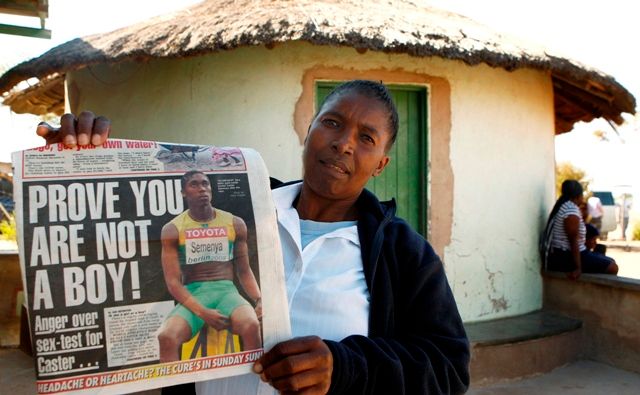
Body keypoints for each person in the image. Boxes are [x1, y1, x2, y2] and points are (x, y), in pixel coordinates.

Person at [36, 80, 470, 394]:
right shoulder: (237, 207)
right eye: (332, 123)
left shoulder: (402, 253)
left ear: (380, 164)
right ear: (309, 130)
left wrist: (345, 367)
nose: (343, 144)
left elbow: (449, 367)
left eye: (366, 138)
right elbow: (113, 236)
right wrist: (81, 159)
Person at [157, 170, 262, 362]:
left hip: (226, 292)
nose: (202, 189)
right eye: (194, 185)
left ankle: (252, 381)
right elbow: (173, 282)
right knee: (166, 337)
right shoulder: (172, 228)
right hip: (194, 294)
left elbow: (244, 270)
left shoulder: (234, 223)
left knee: (251, 325)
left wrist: (259, 298)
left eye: (205, 184)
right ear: (183, 193)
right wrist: (202, 312)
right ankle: (174, 388)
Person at [541, 180, 618, 278]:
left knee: (609, 260)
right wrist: (578, 268)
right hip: (566, 256)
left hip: (565, 254)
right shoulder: (570, 209)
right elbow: (573, 240)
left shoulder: (565, 206)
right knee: (613, 267)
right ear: (578, 195)